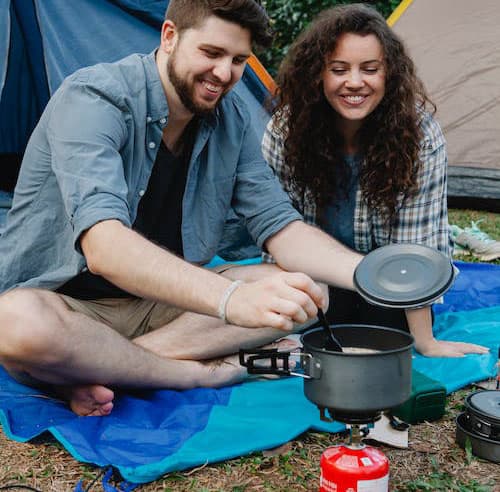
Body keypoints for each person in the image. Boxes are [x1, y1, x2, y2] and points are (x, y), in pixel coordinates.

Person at [0, 0, 362, 417]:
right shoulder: (94, 98)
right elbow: (104, 247)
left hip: (161, 308)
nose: (224, 74)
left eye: (238, 60)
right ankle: (194, 374)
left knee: (307, 292)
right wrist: (230, 299)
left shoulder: (230, 118)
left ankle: (114, 367)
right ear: (169, 36)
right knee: (16, 322)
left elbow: (280, 225)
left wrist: (369, 273)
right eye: (211, 53)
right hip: (68, 306)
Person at [261, 3, 488, 358]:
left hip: (391, 285)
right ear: (318, 74)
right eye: (339, 69)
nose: (354, 82)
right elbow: (275, 230)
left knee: (382, 329)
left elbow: (418, 247)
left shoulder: (420, 136)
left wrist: (426, 342)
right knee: (300, 317)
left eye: (370, 69)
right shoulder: (286, 131)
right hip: (312, 281)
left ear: (390, 75)